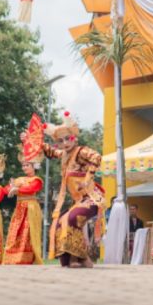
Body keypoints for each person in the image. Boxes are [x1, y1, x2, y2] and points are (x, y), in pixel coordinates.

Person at [42, 113, 105, 268]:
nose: (65, 143)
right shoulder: (64, 155)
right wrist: (37, 142)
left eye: (68, 138)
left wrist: (87, 178)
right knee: (59, 222)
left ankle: (77, 257)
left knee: (72, 218)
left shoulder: (81, 151)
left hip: (92, 198)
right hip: (79, 201)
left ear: (74, 138)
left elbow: (96, 157)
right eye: (60, 141)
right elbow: (51, 152)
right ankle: (72, 259)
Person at [2, 127, 44, 265]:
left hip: (31, 209)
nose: (24, 168)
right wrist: (11, 187)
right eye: (24, 165)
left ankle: (27, 258)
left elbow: (30, 189)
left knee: (28, 233)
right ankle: (12, 258)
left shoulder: (37, 180)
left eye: (27, 165)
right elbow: (6, 189)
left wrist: (16, 188)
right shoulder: (20, 178)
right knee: (15, 233)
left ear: (34, 166)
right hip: (19, 209)